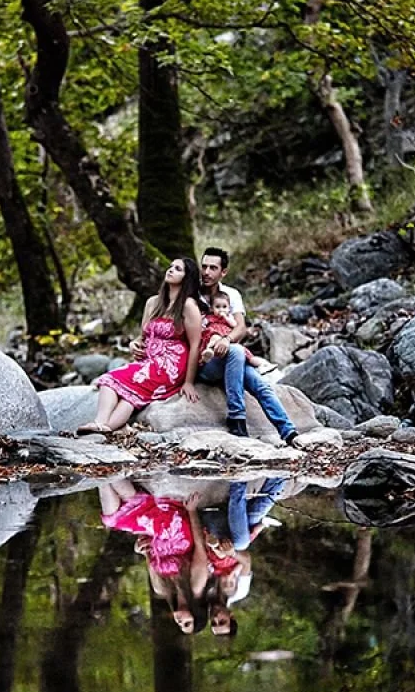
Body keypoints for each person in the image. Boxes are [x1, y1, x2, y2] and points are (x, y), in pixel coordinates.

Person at [76, 256, 201, 434]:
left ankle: (100, 422)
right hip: (149, 361)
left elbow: (195, 345)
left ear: (187, 278)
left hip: (170, 365)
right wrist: (134, 344)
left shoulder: (188, 306)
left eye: (178, 269)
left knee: (110, 379)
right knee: (130, 396)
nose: (171, 270)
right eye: (171, 266)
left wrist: (188, 382)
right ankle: (107, 427)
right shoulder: (152, 303)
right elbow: (142, 336)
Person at [197, 246, 301, 445]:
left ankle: (288, 432)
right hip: (206, 362)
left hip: (229, 357)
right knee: (237, 352)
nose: (206, 272)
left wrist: (226, 340)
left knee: (260, 385)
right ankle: (237, 416)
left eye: (212, 268)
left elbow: (241, 328)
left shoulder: (231, 294)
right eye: (204, 267)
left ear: (223, 272)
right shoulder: (193, 295)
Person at [99, 480, 208, 633]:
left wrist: (140, 549)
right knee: (137, 509)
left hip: (154, 533)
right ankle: (111, 475)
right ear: (196, 614)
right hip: (176, 531)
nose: (179, 622)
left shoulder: (161, 588)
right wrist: (191, 510)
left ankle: (103, 478)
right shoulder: (196, 585)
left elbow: (148, 551)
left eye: (180, 625)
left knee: (113, 520)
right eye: (186, 623)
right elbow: (200, 546)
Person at [200, 290, 272, 370]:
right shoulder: (210, 318)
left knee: (246, 354)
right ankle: (209, 352)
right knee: (214, 337)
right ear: (211, 308)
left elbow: (235, 325)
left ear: (229, 308)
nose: (221, 309)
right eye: (217, 307)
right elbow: (202, 325)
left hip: (228, 339)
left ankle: (264, 364)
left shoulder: (229, 317)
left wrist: (226, 318)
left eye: (224, 307)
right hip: (215, 337)